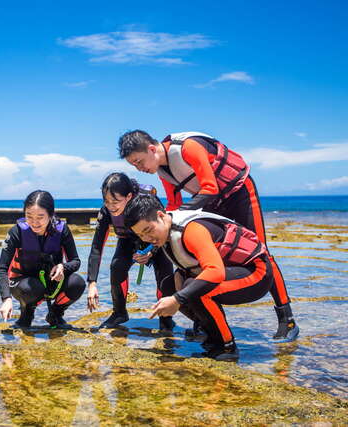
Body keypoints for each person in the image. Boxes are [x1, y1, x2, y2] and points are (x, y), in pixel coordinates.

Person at [117, 130, 298, 342]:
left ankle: (287, 318)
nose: (140, 168)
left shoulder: (188, 147)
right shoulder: (162, 172)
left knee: (261, 251)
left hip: (238, 193)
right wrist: (155, 242)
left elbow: (210, 188)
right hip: (213, 203)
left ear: (151, 149)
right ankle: (205, 323)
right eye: (134, 166)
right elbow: (173, 207)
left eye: (139, 162)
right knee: (200, 260)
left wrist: (180, 217)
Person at [124, 194, 275, 361]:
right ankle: (208, 331)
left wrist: (178, 299)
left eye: (148, 230)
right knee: (169, 286)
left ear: (161, 216)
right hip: (231, 270)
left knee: (195, 289)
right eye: (141, 235)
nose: (147, 238)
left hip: (257, 274)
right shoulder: (166, 232)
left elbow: (215, 272)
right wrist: (176, 293)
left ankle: (226, 347)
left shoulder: (192, 230)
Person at [86, 173, 175, 330]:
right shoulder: (107, 211)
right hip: (128, 239)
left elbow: (164, 230)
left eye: (115, 201)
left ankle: (166, 319)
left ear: (129, 196)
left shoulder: (147, 201)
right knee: (116, 266)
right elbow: (96, 247)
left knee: (165, 273)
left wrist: (151, 251)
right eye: (106, 201)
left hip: (156, 240)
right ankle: (119, 313)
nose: (111, 206)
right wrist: (92, 282)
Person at [0, 190, 85, 329]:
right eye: (29, 216)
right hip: (23, 284)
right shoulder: (16, 232)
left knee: (77, 283)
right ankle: (26, 313)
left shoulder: (62, 230)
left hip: (51, 281)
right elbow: (3, 268)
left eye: (40, 217)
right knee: (33, 287)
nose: (34, 222)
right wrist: (6, 299)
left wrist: (63, 267)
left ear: (50, 215)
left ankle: (55, 314)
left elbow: (75, 261)